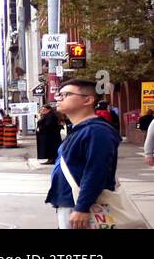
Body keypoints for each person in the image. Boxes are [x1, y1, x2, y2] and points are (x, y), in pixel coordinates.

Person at [45, 78, 122, 229]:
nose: (58, 98)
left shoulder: (97, 131)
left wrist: (82, 207)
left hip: (83, 206)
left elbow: (96, 171)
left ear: (88, 100)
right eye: (59, 95)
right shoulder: (81, 129)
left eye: (65, 94)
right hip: (70, 203)